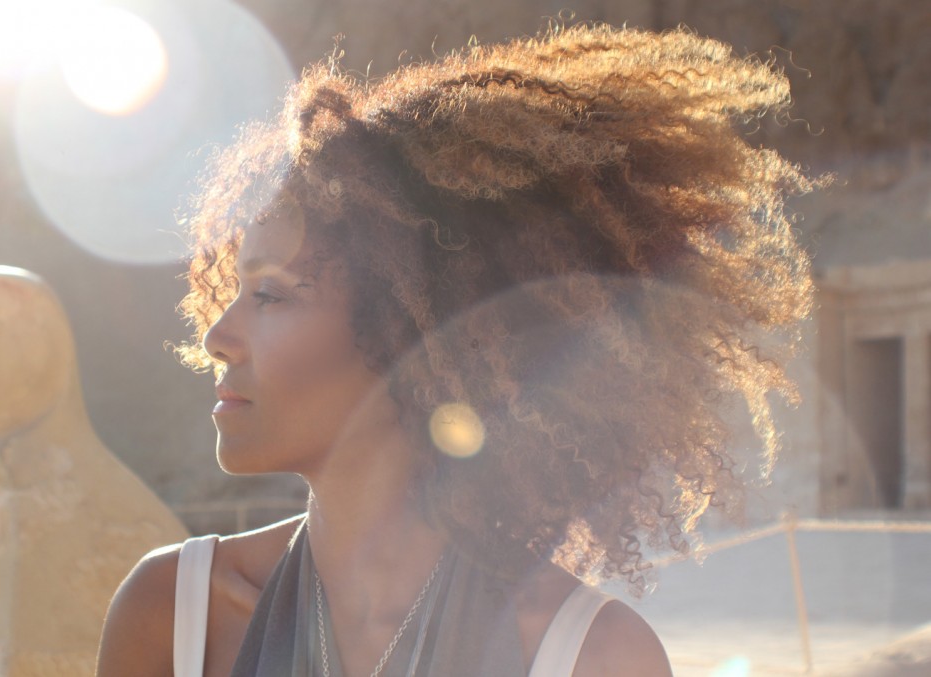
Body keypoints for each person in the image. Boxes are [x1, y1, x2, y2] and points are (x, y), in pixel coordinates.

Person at [97, 22, 819, 677]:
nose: (217, 335)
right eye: (233, 291)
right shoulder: (175, 615)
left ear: (408, 335)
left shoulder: (586, 657)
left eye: (271, 295)